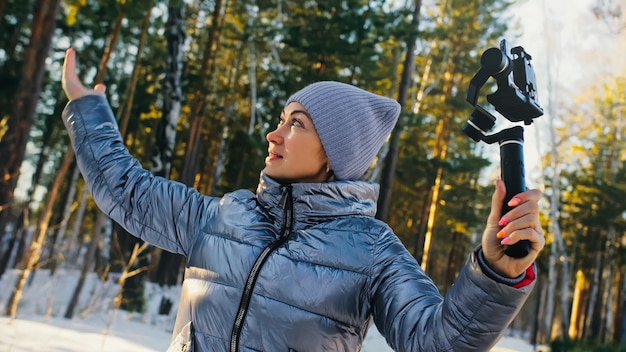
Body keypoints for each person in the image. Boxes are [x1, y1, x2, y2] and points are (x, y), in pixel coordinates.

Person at [61, 47, 545, 352]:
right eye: (281, 118)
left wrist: (495, 273)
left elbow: (437, 341)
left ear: (334, 154)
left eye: (296, 123)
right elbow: (127, 191)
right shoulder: (222, 215)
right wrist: (88, 109)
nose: (274, 134)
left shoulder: (371, 250)